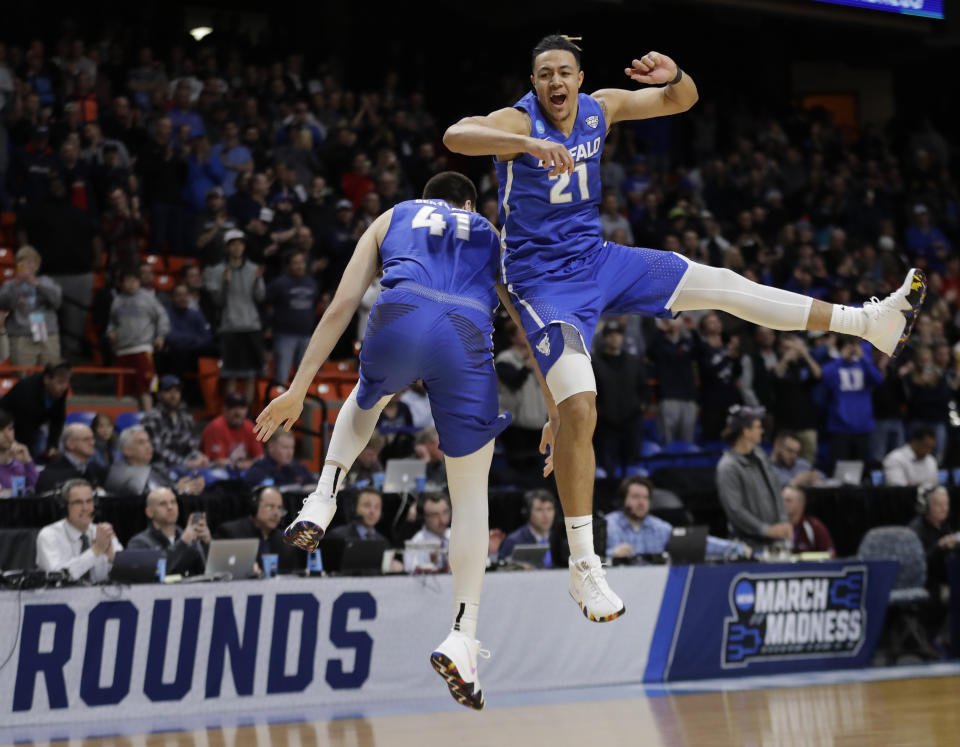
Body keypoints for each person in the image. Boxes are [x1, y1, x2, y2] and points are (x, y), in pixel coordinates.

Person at [442, 34, 925, 621]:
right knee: (581, 406)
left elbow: (681, 102)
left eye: (564, 72)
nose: (554, 83)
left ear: (579, 75)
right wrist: (526, 144)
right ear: (534, 82)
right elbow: (456, 135)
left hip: (600, 261)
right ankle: (584, 566)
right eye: (544, 74)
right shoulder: (516, 119)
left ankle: (868, 321)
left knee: (725, 285)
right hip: (542, 284)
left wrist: (676, 76)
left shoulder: (601, 106)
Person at [256, 172, 531, 710]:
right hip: (467, 334)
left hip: (400, 316)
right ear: (469, 204)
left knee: (367, 394)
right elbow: (526, 322)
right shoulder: (489, 233)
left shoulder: (393, 215)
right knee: (470, 497)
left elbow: (340, 305)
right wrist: (557, 411)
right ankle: (463, 633)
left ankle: (324, 496)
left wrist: (298, 388)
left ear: (428, 199)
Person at [606, 476, 743, 560]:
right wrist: (611, 554)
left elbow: (698, 544)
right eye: (635, 497)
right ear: (623, 500)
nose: (641, 503)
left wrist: (734, 547)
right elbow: (586, 562)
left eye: (645, 498)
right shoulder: (607, 525)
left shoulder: (659, 527)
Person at [715, 406, 791, 550]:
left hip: (774, 542)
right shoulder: (728, 466)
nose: (761, 431)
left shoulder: (760, 456)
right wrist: (765, 529)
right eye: (758, 427)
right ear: (746, 431)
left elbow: (775, 490)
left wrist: (783, 521)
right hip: (747, 545)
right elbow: (735, 510)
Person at [106, 266, 169, 411]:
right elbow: (112, 323)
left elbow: (162, 318)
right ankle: (131, 420)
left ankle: (148, 417)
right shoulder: (117, 301)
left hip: (142, 348)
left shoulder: (149, 299)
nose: (131, 284)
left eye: (134, 281)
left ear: (139, 282)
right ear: (121, 283)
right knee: (127, 391)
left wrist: (160, 337)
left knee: (145, 388)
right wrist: (111, 333)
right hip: (122, 350)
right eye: (127, 281)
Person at [36, 479, 123, 582]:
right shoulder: (49, 535)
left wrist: (112, 558)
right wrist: (96, 550)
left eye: (89, 501)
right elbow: (59, 577)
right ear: (64, 506)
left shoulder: (102, 532)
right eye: (78, 502)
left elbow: (127, 574)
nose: (85, 508)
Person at [821, 337, 883, 467]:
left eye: (855, 345)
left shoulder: (864, 364)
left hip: (863, 426)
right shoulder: (835, 365)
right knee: (839, 469)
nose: (852, 348)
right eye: (848, 345)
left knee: (859, 469)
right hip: (840, 426)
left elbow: (878, 380)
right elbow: (824, 377)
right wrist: (840, 359)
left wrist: (863, 358)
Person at [215, 485, 305, 574]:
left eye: (279, 508)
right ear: (254, 506)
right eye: (270, 507)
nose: (276, 513)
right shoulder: (231, 533)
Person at [0, 244, 62, 366]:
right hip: (21, 336)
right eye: (22, 262)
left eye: (30, 262)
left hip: (47, 334)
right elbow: (4, 304)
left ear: (37, 265)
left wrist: (36, 284)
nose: (26, 266)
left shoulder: (47, 282)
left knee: (50, 371)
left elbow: (56, 302)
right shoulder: (10, 285)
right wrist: (17, 284)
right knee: (23, 376)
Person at [127, 487, 209, 576]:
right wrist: (183, 542)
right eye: (163, 504)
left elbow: (206, 573)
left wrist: (207, 544)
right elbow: (154, 573)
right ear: (149, 512)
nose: (170, 507)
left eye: (173, 502)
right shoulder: (139, 543)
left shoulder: (190, 539)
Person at [0, 361, 70, 461]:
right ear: (47, 379)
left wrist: (52, 445)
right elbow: (24, 426)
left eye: (67, 382)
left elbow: (58, 419)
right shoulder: (27, 389)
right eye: (60, 382)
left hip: (34, 426)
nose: (64, 387)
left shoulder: (60, 391)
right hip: (10, 426)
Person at [140, 374, 208, 473]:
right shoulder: (152, 418)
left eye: (177, 391)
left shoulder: (186, 418)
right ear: (159, 394)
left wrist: (199, 457)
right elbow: (157, 451)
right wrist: (185, 463)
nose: (173, 395)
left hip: (185, 467)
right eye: (168, 391)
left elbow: (191, 446)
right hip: (160, 469)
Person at [201, 392, 263, 471]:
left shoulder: (250, 427)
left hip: (243, 470)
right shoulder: (216, 427)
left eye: (241, 408)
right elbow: (218, 462)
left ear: (247, 410)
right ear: (225, 410)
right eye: (233, 407)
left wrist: (244, 465)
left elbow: (259, 458)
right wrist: (245, 464)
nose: (238, 412)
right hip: (217, 471)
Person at [35, 422, 105, 493]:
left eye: (93, 438)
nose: (92, 443)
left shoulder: (95, 469)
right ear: (70, 444)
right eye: (86, 439)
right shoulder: (52, 471)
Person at [498, 489, 556, 567]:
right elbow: (501, 570)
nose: (546, 515)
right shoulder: (513, 541)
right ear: (527, 513)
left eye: (549, 509)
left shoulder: (561, 539)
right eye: (539, 510)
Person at [243, 430, 314, 487]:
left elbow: (316, 488)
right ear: (271, 447)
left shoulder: (299, 469)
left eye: (292, 447)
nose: (290, 453)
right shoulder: (257, 471)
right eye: (285, 447)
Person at [405, 492, 452, 573]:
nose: (443, 520)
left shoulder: (458, 536)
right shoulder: (415, 544)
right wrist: (432, 564)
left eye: (445, 512)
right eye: (435, 515)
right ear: (423, 518)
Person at [782, 485, 835, 557]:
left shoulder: (814, 527)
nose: (782, 504)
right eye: (781, 500)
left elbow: (830, 554)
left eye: (788, 500)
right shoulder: (775, 526)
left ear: (800, 504)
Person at [326, 487, 392, 543]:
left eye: (377, 507)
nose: (372, 511)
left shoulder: (383, 542)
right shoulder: (337, 536)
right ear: (354, 508)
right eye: (367, 505)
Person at [0, 408, 38, 494]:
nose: (7, 435)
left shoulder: (21, 462)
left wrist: (28, 461)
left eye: (10, 429)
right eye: (1, 430)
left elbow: (38, 490)